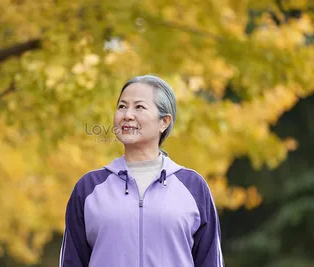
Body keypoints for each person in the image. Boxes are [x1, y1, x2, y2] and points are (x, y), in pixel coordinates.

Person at [59, 75, 224, 267]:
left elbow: (210, 260)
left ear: (164, 121)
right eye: (122, 106)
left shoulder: (194, 187)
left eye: (139, 107)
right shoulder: (88, 188)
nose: (127, 115)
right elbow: (72, 260)